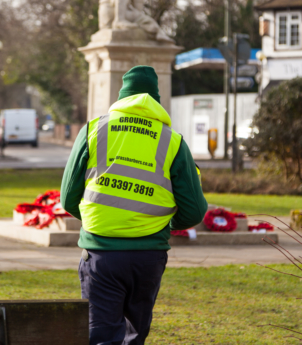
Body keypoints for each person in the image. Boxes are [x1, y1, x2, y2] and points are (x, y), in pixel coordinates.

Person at [61, 65, 208, 345]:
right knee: (135, 337)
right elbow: (194, 211)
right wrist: (162, 224)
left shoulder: (93, 130)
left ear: (121, 96)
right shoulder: (173, 142)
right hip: (148, 257)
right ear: (156, 100)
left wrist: (102, 219)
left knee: (101, 337)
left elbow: (68, 196)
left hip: (101, 256)